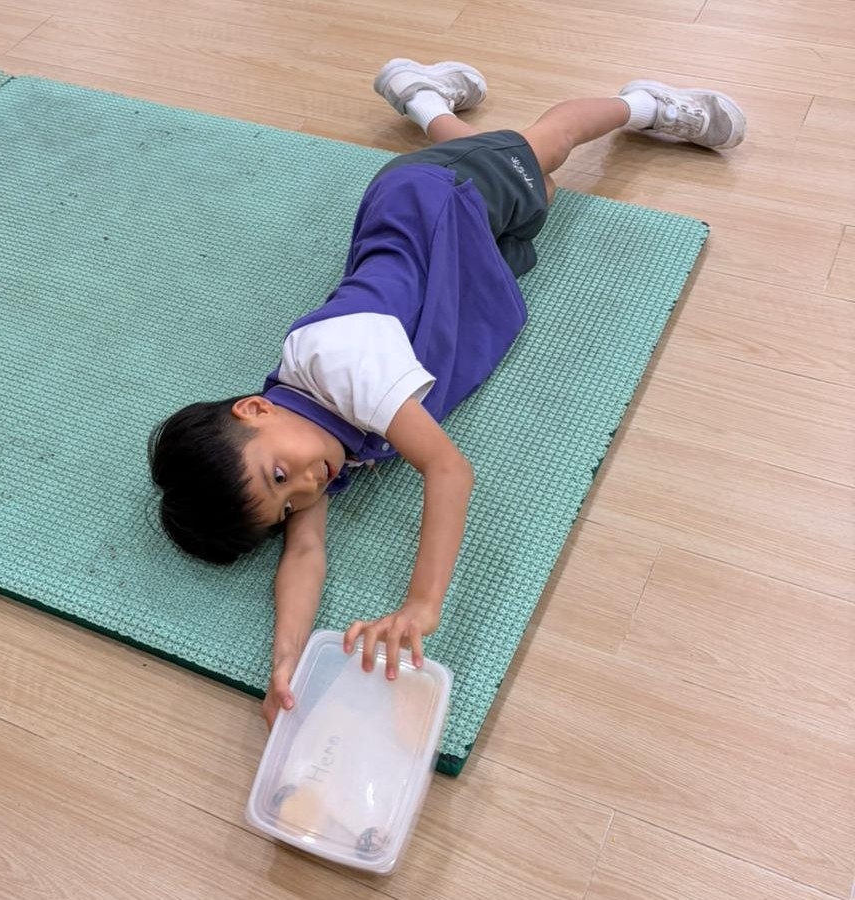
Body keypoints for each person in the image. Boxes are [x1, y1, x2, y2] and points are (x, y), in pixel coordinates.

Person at [146, 58, 746, 727]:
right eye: (287, 505)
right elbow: (305, 552)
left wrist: (421, 604)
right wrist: (286, 661)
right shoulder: (308, 442)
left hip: (432, 199)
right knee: (541, 191)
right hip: (450, 261)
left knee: (548, 147)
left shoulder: (341, 367)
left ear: (255, 409)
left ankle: (645, 104)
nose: (308, 488)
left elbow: (448, 469)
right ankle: (423, 98)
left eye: (281, 477)